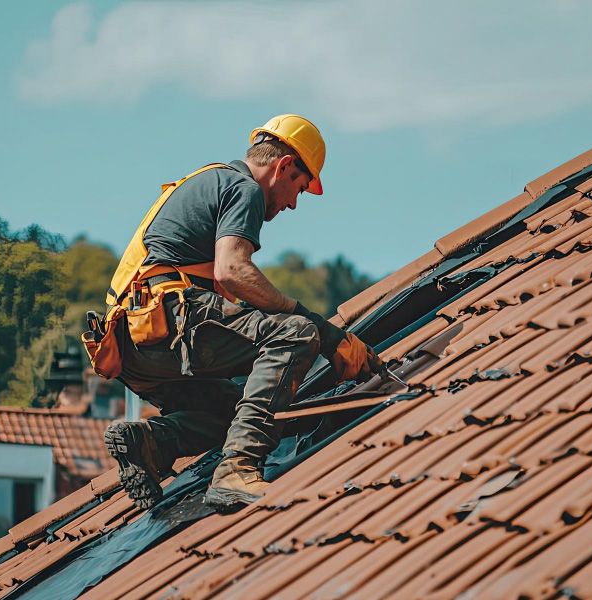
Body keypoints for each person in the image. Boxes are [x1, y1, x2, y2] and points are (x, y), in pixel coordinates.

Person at [96, 114, 380, 512]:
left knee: (245, 412)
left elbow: (230, 299)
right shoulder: (243, 187)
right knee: (296, 333)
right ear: (284, 166)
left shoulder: (209, 180)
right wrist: (325, 333)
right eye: (299, 188)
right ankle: (237, 470)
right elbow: (232, 270)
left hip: (132, 347)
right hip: (170, 319)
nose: (293, 204)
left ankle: (151, 443)